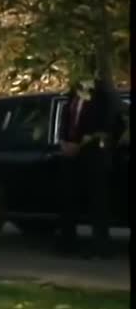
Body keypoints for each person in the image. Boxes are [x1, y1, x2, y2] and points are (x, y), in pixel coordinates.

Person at [57, 79, 122, 259]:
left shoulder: (101, 97)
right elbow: (65, 120)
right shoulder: (72, 95)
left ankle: (100, 247)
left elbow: (105, 126)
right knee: (68, 198)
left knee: (97, 202)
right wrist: (63, 142)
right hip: (71, 154)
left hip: (93, 154)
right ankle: (67, 243)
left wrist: (80, 144)